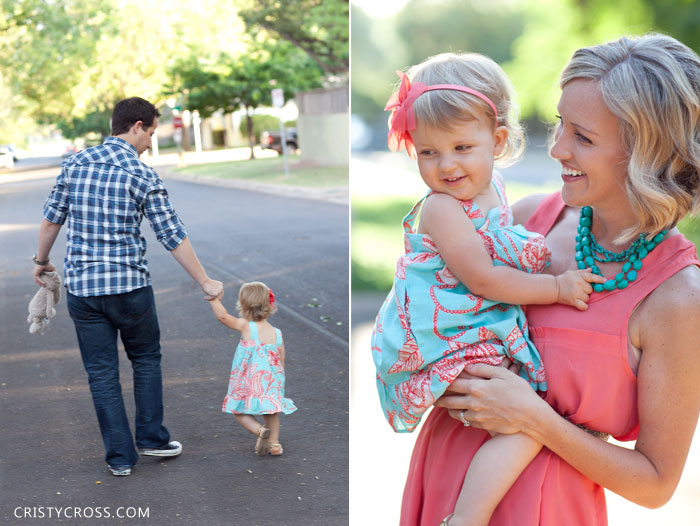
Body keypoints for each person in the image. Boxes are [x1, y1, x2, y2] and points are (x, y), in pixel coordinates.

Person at [400, 33, 700, 526]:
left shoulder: (677, 296)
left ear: (645, 151)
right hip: (443, 478)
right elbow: (428, 310)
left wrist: (532, 417)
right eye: (561, 124)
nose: (557, 148)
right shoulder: (524, 221)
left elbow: (655, 485)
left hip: (545, 508)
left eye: (582, 137)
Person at [371, 53, 603, 525]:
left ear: (496, 141)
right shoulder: (440, 208)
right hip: (449, 337)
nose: (446, 166)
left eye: (461, 147)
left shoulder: (494, 189)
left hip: (472, 325)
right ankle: (467, 517)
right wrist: (556, 288)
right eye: (428, 152)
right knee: (530, 425)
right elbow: (483, 278)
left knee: (529, 421)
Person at [33, 96, 224, 477]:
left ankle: (120, 459)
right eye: (151, 133)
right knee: (146, 360)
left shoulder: (75, 164)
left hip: (85, 291)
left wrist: (41, 263)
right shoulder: (142, 174)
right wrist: (205, 280)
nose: (151, 142)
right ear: (136, 126)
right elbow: (172, 236)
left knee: (101, 374)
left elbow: (53, 220)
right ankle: (152, 440)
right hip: (130, 288)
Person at [208, 281, 296, 457]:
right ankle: (275, 445)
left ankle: (259, 430)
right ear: (269, 305)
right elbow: (281, 358)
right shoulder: (277, 333)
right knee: (271, 413)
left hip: (250, 380)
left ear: (243, 306)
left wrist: (213, 299)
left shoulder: (246, 326)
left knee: (239, 411)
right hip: (272, 380)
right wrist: (279, 381)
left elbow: (223, 317)